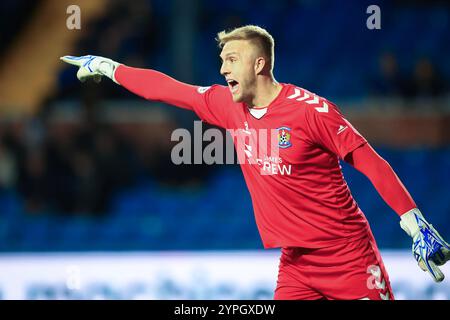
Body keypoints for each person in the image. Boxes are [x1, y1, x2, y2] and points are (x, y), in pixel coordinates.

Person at [60, 25, 450, 300]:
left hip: (347, 255)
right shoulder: (227, 106)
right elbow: (167, 89)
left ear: (259, 64)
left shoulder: (311, 112)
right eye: (221, 61)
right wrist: (109, 67)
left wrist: (414, 224)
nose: (223, 69)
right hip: (296, 263)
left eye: (231, 59)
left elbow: (369, 160)